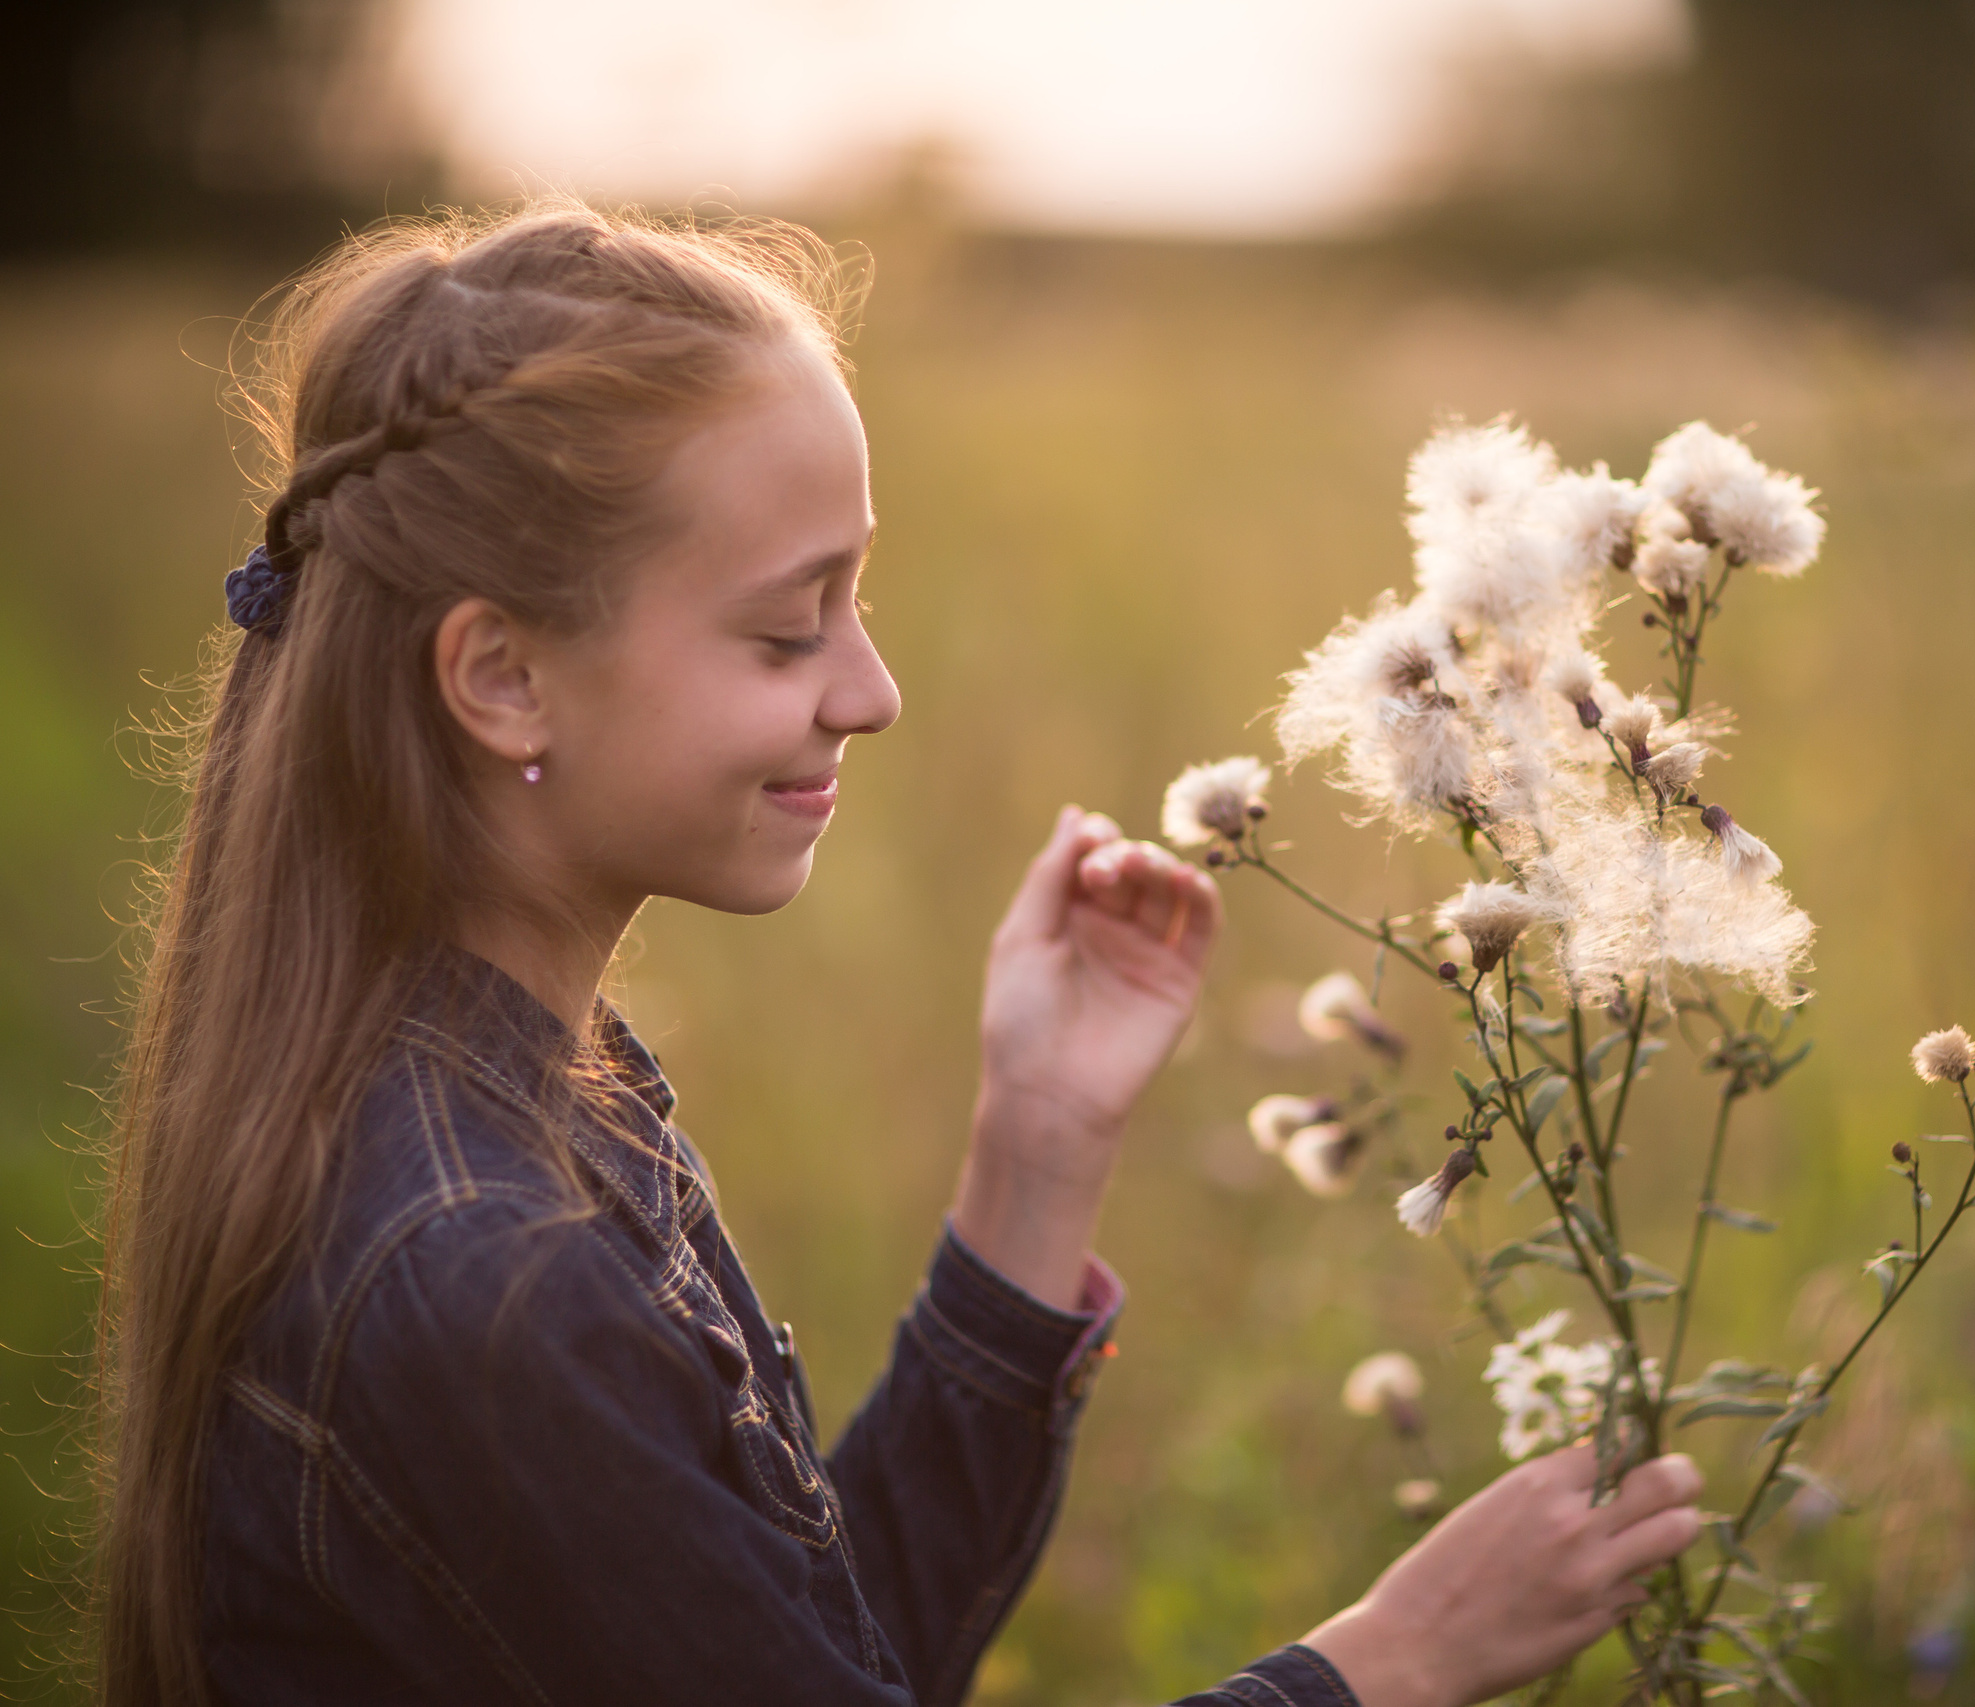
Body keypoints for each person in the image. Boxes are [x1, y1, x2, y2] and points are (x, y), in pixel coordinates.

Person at [92, 201, 1704, 1707]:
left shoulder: (514, 1109)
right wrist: (1393, 1661)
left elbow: (799, 1646)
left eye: (856, 603)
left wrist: (1037, 1151)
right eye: (786, 629)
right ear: (503, 678)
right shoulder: (487, 1274)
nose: (870, 693)